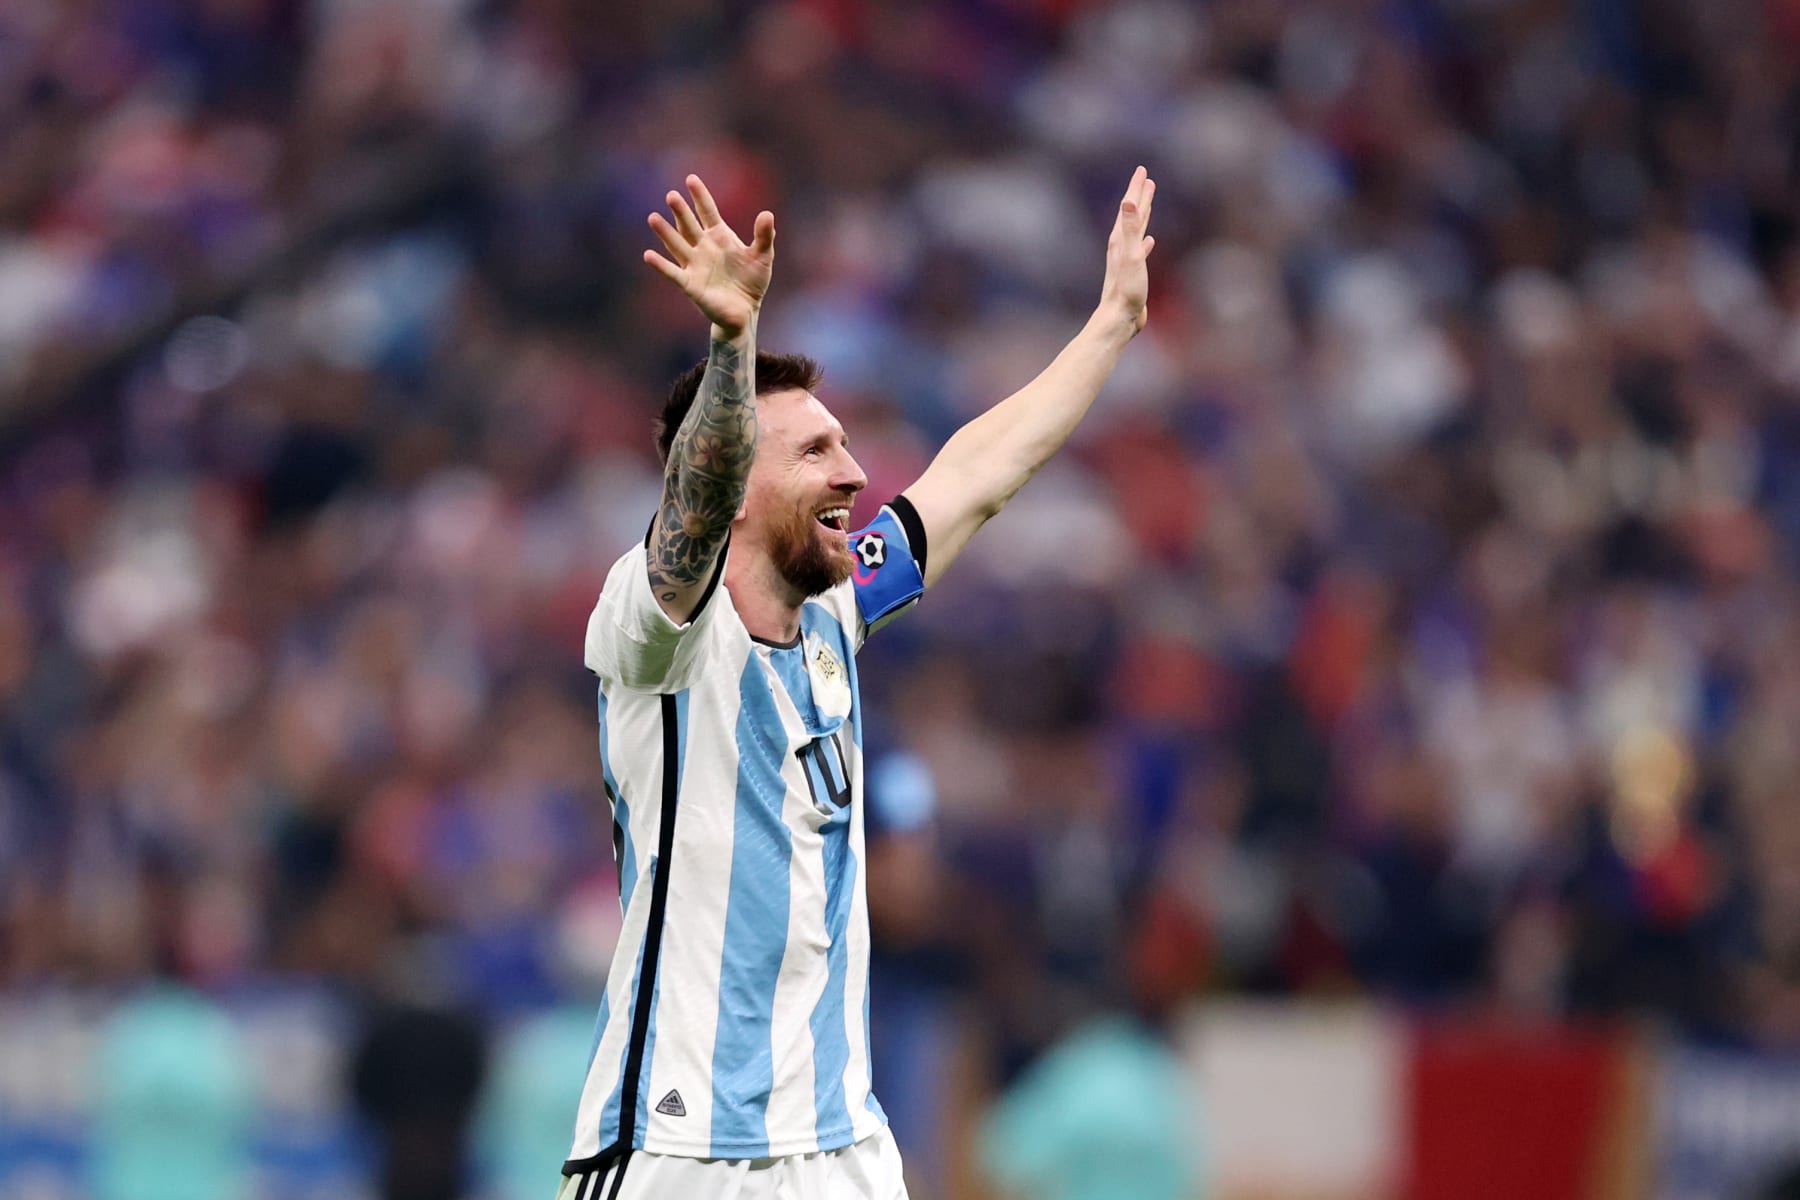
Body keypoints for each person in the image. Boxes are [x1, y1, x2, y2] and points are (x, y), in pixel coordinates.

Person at [559, 167, 1156, 1200]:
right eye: (818, 452)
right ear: (738, 484)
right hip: (680, 1150)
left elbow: (975, 474)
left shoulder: (834, 610)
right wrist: (731, 349)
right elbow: (690, 519)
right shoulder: (655, 632)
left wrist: (1110, 326)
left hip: (841, 1150)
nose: (852, 473)